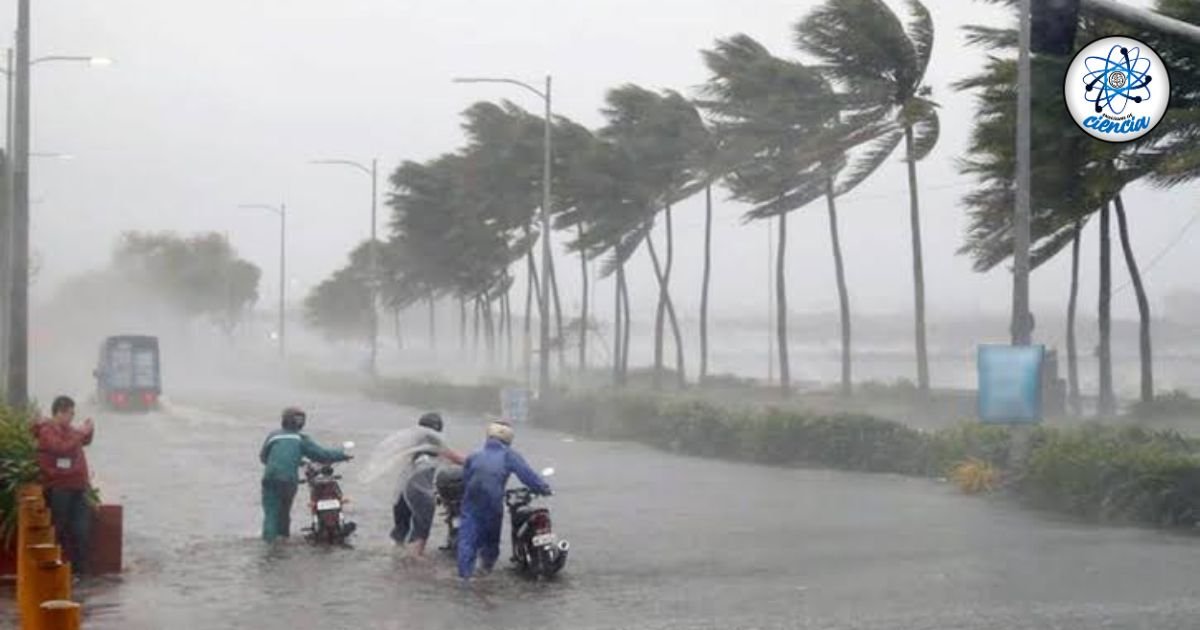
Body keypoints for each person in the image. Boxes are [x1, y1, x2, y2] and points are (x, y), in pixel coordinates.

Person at [456, 420, 551, 582]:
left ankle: (465, 578)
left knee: (467, 539)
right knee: (491, 540)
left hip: (471, 502)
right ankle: (486, 574)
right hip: (493, 503)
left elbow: (466, 479)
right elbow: (527, 476)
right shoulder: (509, 455)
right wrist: (543, 489)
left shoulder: (474, 455)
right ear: (508, 438)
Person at [259, 407, 351, 542]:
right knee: (284, 512)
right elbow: (322, 455)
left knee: (271, 512)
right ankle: (283, 540)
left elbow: (263, 457)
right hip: (289, 480)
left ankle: (269, 543)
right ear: (301, 423)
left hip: (270, 478)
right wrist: (341, 455)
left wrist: (296, 461)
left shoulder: (273, 436)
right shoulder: (300, 439)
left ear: (283, 420)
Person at [32, 395, 94, 578]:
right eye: (70, 413)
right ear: (59, 412)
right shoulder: (47, 430)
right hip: (59, 486)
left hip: (77, 485)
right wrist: (81, 433)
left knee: (81, 528)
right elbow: (62, 448)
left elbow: (83, 441)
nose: (72, 418)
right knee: (60, 528)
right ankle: (56, 570)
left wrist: (89, 430)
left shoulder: (68, 429)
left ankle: (80, 570)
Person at [389, 412, 465, 557]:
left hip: (401, 490)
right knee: (421, 530)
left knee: (401, 529)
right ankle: (415, 562)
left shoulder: (413, 443)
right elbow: (457, 459)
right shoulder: (434, 443)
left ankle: (396, 559)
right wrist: (478, 461)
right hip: (419, 492)